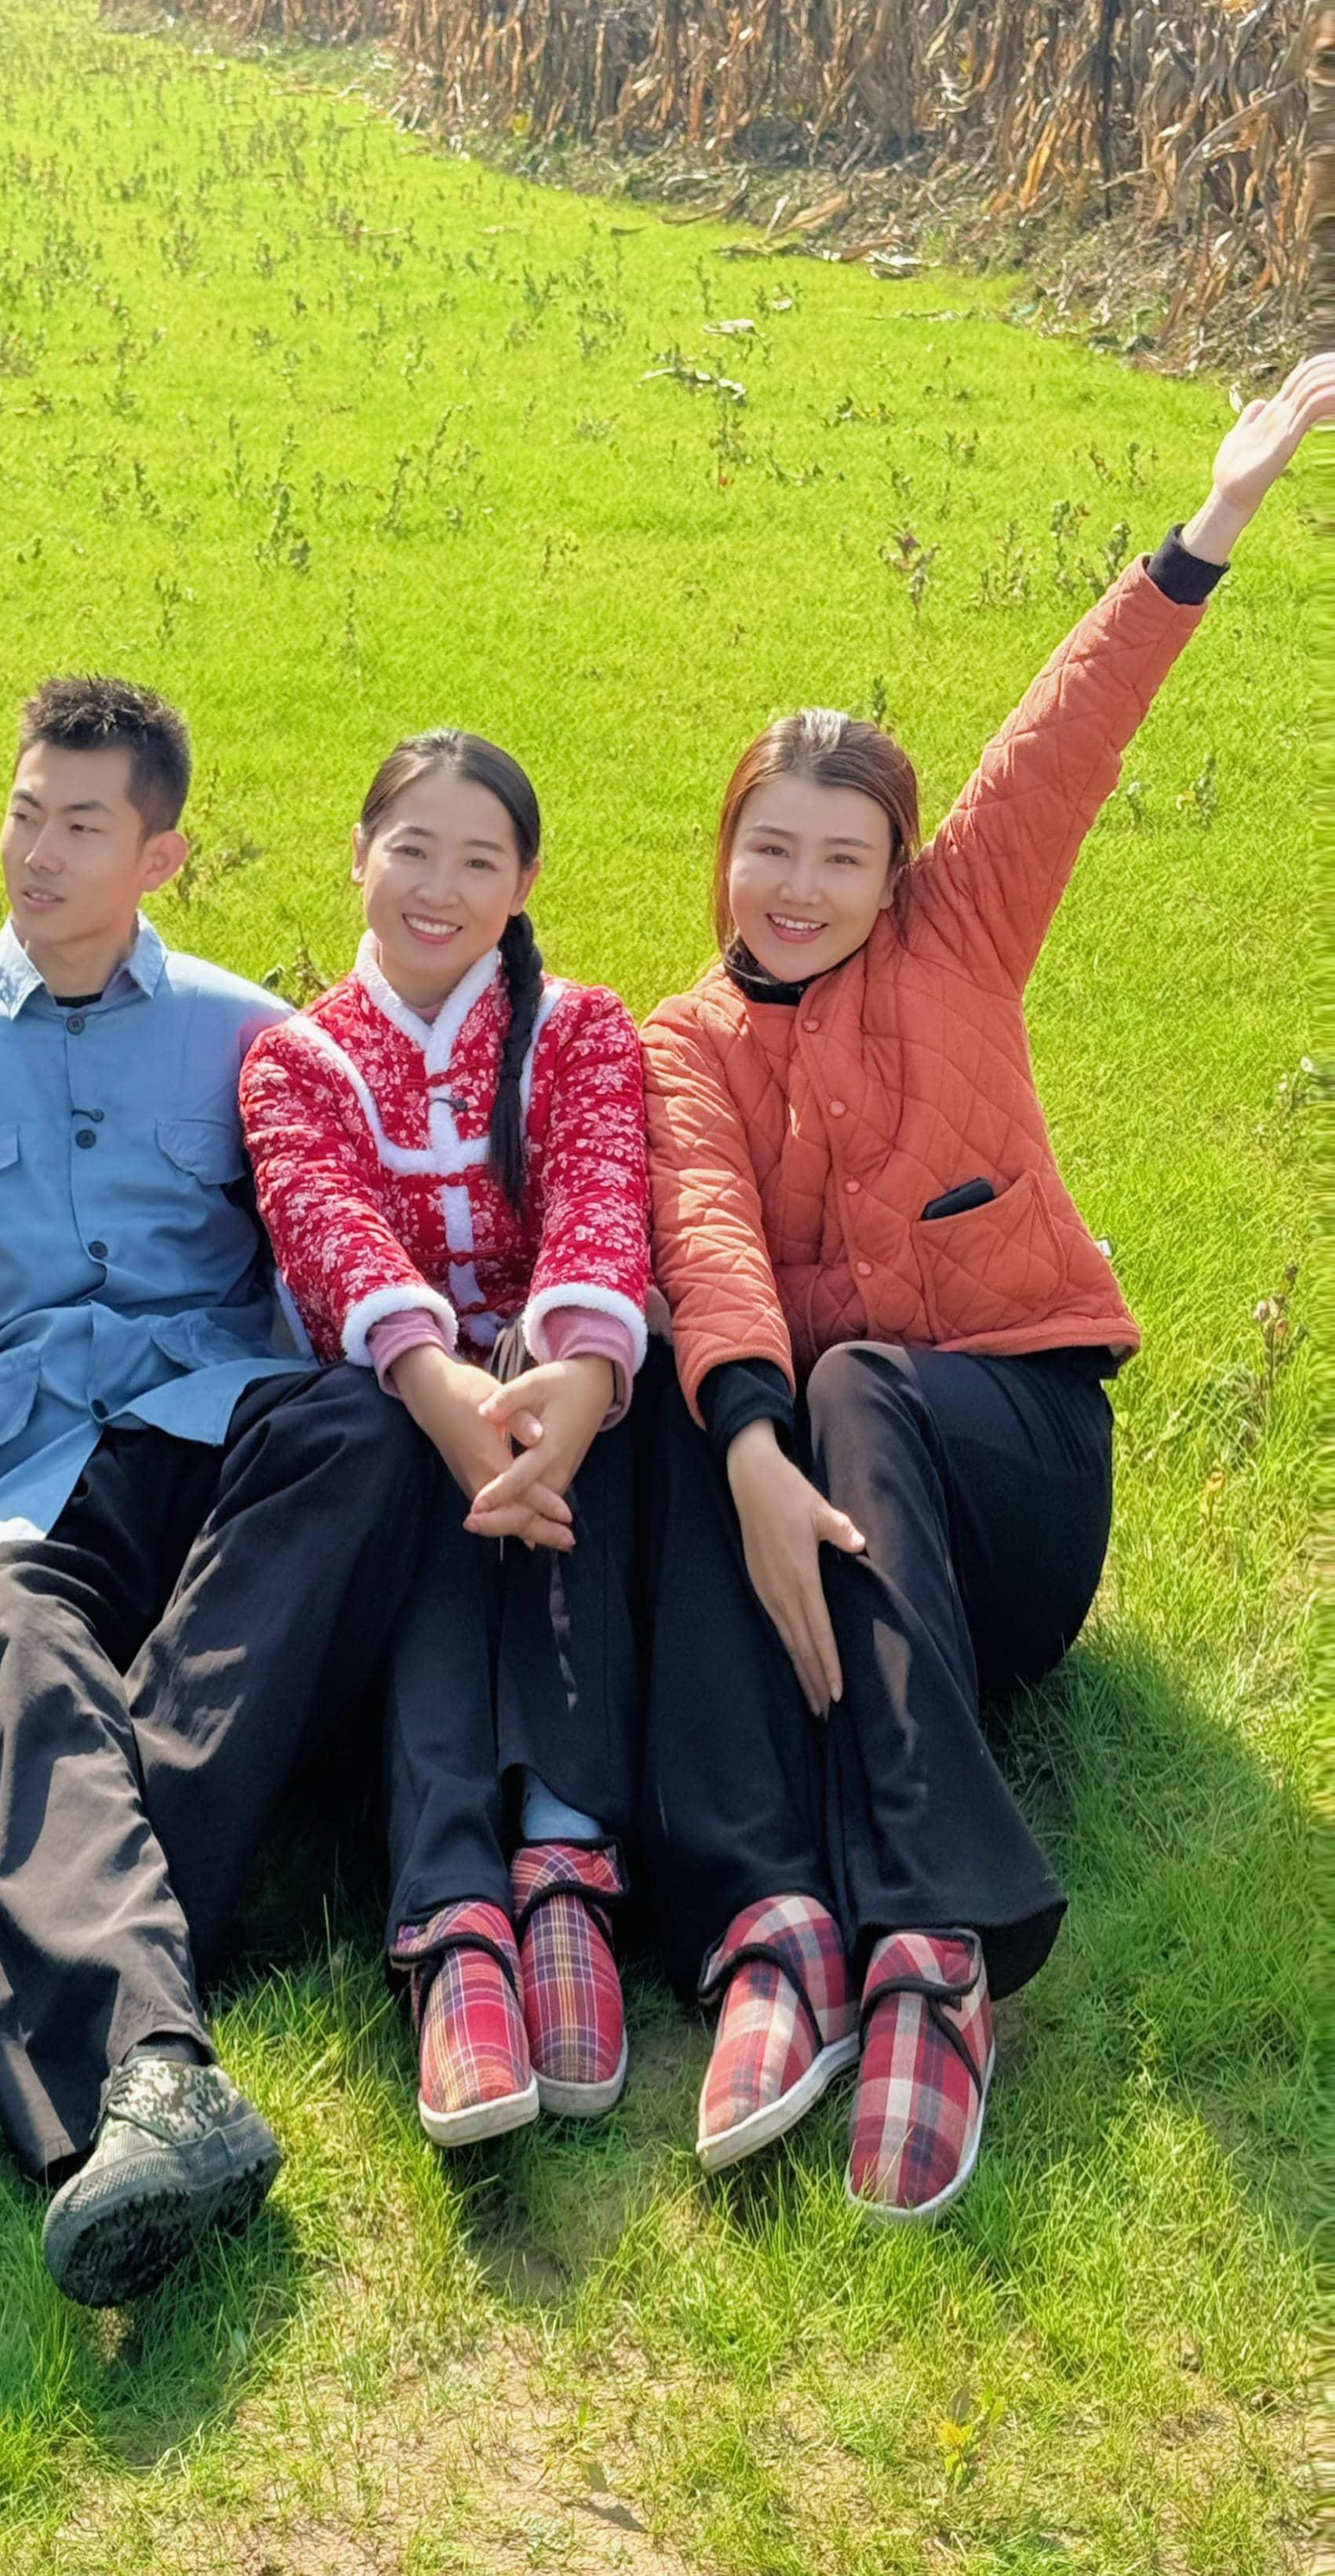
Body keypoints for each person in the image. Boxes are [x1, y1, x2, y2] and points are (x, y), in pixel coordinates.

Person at [638, 354, 1330, 2221]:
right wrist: (743, 1444)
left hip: (1013, 1491)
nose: (797, 888)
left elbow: (1065, 731)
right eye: (768, 850)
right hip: (839, 1547)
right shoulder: (679, 1046)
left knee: (856, 1374)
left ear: (895, 874)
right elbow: (703, 1232)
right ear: (723, 855)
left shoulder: (960, 936)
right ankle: (787, 1936)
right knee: (720, 1404)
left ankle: (937, 1948)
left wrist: (1215, 518)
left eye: (839, 857)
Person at [0, 674, 434, 2308]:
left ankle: (16, 1922)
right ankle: (158, 2078)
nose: (36, 852)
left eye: (82, 826)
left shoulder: (251, 1037)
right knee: (10, 1641)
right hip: (11, 1479)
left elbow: (318, 1270)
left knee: (364, 1429)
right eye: (24, 812)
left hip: (207, 1433)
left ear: (159, 855)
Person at [240, 732, 650, 2147]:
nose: (438, 887)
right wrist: (440, 1393)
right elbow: (330, 1235)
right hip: (394, 1408)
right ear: (357, 854)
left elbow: (601, 1203)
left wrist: (568, 1388)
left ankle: (564, 1867)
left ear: (524, 882)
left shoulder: (579, 1028)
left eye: (479, 861)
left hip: (556, 1404)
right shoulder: (293, 1060)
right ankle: (453, 1916)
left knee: (578, 1406)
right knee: (407, 1446)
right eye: (410, 849)